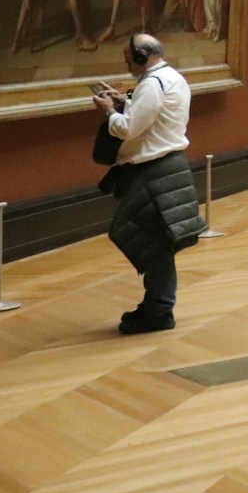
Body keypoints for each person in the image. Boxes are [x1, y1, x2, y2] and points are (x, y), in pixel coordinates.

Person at [91, 34, 203, 334]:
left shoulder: (153, 84)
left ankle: (159, 310)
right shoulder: (172, 78)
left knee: (154, 245)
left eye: (130, 57)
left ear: (142, 56)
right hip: (167, 168)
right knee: (157, 243)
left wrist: (109, 111)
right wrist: (126, 100)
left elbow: (128, 129)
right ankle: (157, 304)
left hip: (155, 172)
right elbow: (151, 114)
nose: (127, 63)